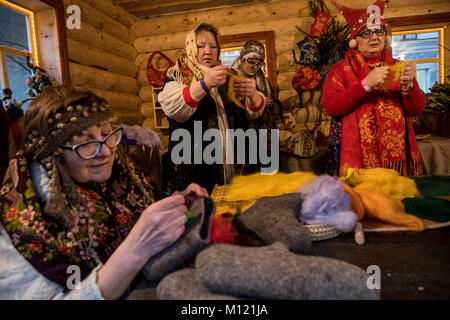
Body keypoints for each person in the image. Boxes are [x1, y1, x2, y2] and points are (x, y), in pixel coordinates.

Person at [0, 85, 208, 299]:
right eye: (86, 143)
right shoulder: (28, 223)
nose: (107, 151)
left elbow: (144, 205)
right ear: (53, 154)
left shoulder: (120, 171)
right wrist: (136, 250)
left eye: (107, 134)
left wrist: (177, 201)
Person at [159, 23, 266, 194]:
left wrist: (253, 94)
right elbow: (173, 108)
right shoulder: (178, 74)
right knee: (200, 214)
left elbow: (254, 112)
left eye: (213, 46)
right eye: (200, 46)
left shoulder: (229, 75)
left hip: (231, 164)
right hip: (194, 167)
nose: (207, 51)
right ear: (190, 47)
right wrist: (205, 84)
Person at [324, 0, 426, 177]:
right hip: (357, 158)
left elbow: (416, 109)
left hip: (397, 157)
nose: (374, 37)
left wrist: (408, 87)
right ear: (354, 40)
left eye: (379, 31)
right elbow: (331, 107)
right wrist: (365, 85)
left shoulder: (398, 66)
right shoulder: (340, 70)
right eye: (366, 33)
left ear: (385, 37)